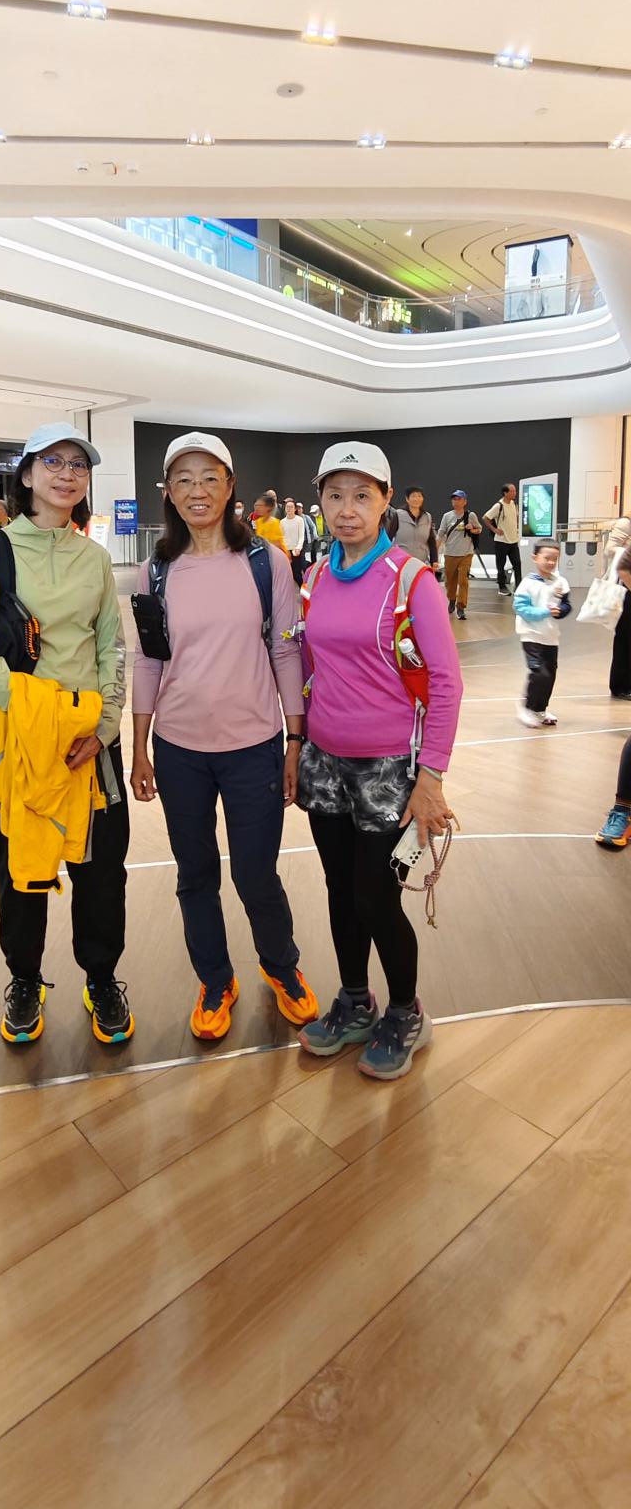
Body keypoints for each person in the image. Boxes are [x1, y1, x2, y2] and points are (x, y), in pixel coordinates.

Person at [130, 430, 318, 1041]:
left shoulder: (267, 563)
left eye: (210, 477)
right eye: (183, 480)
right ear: (168, 492)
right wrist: (140, 746)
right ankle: (215, 980)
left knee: (256, 875)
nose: (198, 491)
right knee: (196, 874)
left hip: (254, 748)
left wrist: (294, 741)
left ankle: (281, 967)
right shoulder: (156, 571)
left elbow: (287, 654)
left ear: (231, 485)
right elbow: (148, 660)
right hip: (179, 750)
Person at [0, 421, 131, 1046]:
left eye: (78, 465)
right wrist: (35, 715)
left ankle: (101, 978)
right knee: (19, 868)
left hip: (89, 742)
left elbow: (111, 647)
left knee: (101, 870)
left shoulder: (95, 558)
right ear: (26, 475)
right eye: (52, 462)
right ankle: (25, 979)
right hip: (17, 741)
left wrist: (106, 725)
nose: (66, 474)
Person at [296, 441, 462, 1081]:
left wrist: (431, 777)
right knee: (340, 891)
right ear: (320, 501)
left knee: (376, 898)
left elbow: (446, 682)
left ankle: (404, 1011)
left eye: (361, 495)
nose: (347, 509)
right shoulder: (316, 576)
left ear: (385, 500)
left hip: (390, 769)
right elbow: (309, 666)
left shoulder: (412, 580)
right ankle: (354, 1000)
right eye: (335, 495)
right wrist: (298, 746)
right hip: (324, 760)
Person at [514, 539, 571, 727]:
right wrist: (545, 612)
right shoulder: (527, 584)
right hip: (531, 635)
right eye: (547, 558)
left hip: (551, 637)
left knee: (550, 675)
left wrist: (560, 611)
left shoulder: (560, 582)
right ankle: (526, 707)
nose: (551, 562)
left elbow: (566, 605)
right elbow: (521, 608)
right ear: (535, 557)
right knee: (540, 673)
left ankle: (540, 709)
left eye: (555, 558)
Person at [437, 490, 481, 620]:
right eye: (454, 499)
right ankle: (451, 600)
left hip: (466, 554)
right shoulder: (447, 516)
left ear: (465, 501)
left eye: (459, 499)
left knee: (463, 581)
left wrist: (472, 529)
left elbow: (479, 529)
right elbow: (441, 533)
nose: (456, 502)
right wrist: (435, 550)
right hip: (450, 553)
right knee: (450, 582)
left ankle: (461, 607)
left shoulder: (470, 515)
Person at [605, 514, 631, 699]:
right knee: (625, 640)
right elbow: (610, 550)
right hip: (626, 590)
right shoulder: (626, 524)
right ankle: (620, 685)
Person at [483, 483, 522, 596]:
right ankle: (502, 587)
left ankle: (519, 587)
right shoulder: (498, 506)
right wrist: (494, 529)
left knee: (517, 564)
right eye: (512, 491)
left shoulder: (513, 504)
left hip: (513, 541)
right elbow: (486, 518)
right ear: (505, 493)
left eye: (515, 491)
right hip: (501, 541)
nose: (515, 493)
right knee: (500, 566)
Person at [394, 486, 438, 569]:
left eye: (419, 496)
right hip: (400, 561)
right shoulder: (397, 515)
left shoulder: (427, 517)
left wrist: (434, 560)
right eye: (413, 496)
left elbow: (431, 540)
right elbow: (388, 536)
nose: (416, 499)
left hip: (420, 562)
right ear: (407, 499)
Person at [253, 491, 289, 556]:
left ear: (268, 507)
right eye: (256, 505)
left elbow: (276, 545)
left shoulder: (274, 523)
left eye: (260, 505)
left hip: (277, 556)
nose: (257, 508)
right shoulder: (258, 522)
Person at [281, 496, 307, 584]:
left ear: (295, 509)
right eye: (287, 507)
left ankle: (302, 587)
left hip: (296, 550)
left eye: (291, 507)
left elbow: (301, 536)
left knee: (297, 572)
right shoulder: (282, 522)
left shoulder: (299, 520)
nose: (289, 509)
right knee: (289, 572)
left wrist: (298, 548)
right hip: (286, 550)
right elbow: (282, 537)